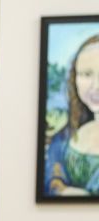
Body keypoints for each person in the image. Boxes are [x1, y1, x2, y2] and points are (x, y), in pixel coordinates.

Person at [44, 33, 99, 197]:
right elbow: (51, 182)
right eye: (87, 74)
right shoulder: (63, 138)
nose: (96, 86)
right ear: (74, 79)